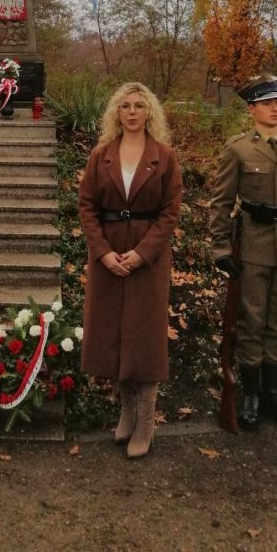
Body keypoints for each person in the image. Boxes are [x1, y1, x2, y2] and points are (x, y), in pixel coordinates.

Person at [79, 82, 183, 458]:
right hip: (108, 256)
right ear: (117, 113)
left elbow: (171, 212)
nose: (133, 112)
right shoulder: (100, 155)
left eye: (140, 106)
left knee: (144, 337)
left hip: (147, 259)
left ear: (149, 112)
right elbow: (87, 207)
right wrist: (103, 253)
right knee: (115, 335)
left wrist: (142, 253)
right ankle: (126, 413)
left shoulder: (166, 157)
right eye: (126, 106)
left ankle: (145, 424)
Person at [210, 75, 277, 432]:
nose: (276, 108)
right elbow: (221, 203)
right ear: (252, 108)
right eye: (268, 103)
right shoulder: (237, 149)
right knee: (251, 324)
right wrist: (222, 248)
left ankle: (274, 395)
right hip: (253, 248)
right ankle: (251, 396)